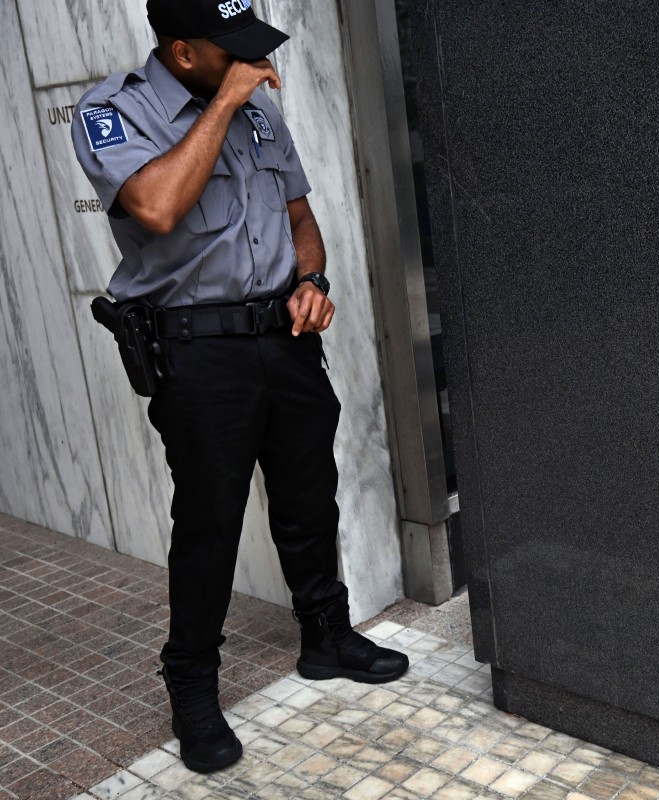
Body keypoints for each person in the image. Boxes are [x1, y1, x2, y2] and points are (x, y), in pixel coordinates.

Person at [71, 0, 408, 774]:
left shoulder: (258, 114)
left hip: (282, 341)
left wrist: (313, 278)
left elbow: (298, 218)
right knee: (210, 522)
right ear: (184, 53)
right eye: (232, 54)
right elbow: (154, 206)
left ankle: (326, 634)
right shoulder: (114, 110)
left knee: (307, 495)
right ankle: (191, 684)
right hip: (197, 354)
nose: (252, 65)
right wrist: (223, 105)